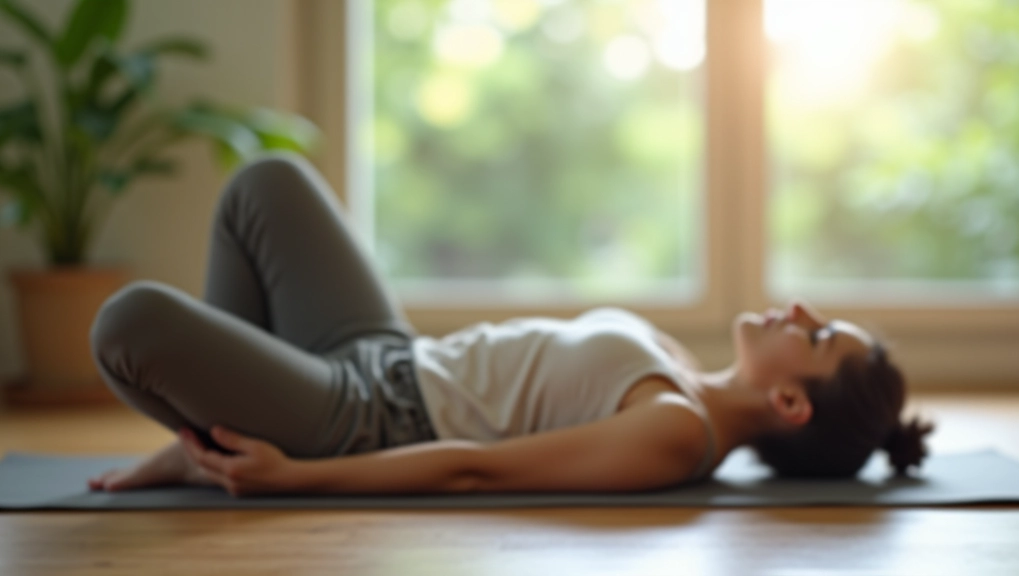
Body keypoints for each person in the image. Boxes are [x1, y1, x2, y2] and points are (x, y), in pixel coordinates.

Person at [86, 153, 935, 498]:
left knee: (128, 322)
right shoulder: (678, 365)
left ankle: (218, 442)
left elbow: (476, 466)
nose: (799, 311)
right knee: (265, 185)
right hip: (387, 354)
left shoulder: (678, 431)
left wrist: (294, 480)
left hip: (356, 421)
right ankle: (206, 435)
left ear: (791, 402)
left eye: (818, 335)